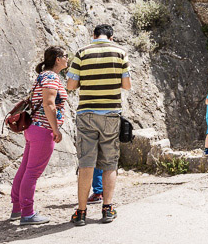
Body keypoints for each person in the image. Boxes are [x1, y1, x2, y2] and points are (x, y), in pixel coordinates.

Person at [67, 24, 131, 226]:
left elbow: (70, 85)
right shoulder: (120, 53)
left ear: (93, 36)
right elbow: (127, 85)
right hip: (111, 114)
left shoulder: (82, 53)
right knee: (110, 163)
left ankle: (81, 212)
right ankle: (108, 208)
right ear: (111, 37)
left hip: (86, 114)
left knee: (86, 163)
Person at [10, 46, 68, 225]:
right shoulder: (51, 77)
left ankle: (17, 208)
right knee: (32, 172)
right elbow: (49, 104)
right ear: (58, 59)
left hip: (33, 128)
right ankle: (27, 213)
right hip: (43, 129)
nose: (68, 58)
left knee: (25, 169)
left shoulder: (42, 76)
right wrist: (55, 129)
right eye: (65, 56)